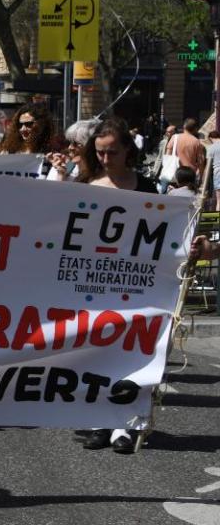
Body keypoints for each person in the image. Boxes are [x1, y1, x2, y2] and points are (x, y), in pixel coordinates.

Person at [75, 117, 155, 453]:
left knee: (133, 355)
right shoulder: (86, 185)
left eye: (112, 152)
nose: (106, 159)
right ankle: (98, 421)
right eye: (100, 153)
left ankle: (125, 426)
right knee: (98, 356)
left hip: (137, 285)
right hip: (96, 285)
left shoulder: (147, 188)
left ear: (127, 151)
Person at [165, 118, 206, 183]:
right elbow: (201, 162)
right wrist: (201, 177)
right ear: (195, 129)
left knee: (173, 192)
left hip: (176, 173)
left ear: (184, 127)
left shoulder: (174, 138)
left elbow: (167, 156)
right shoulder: (197, 142)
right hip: (190, 174)